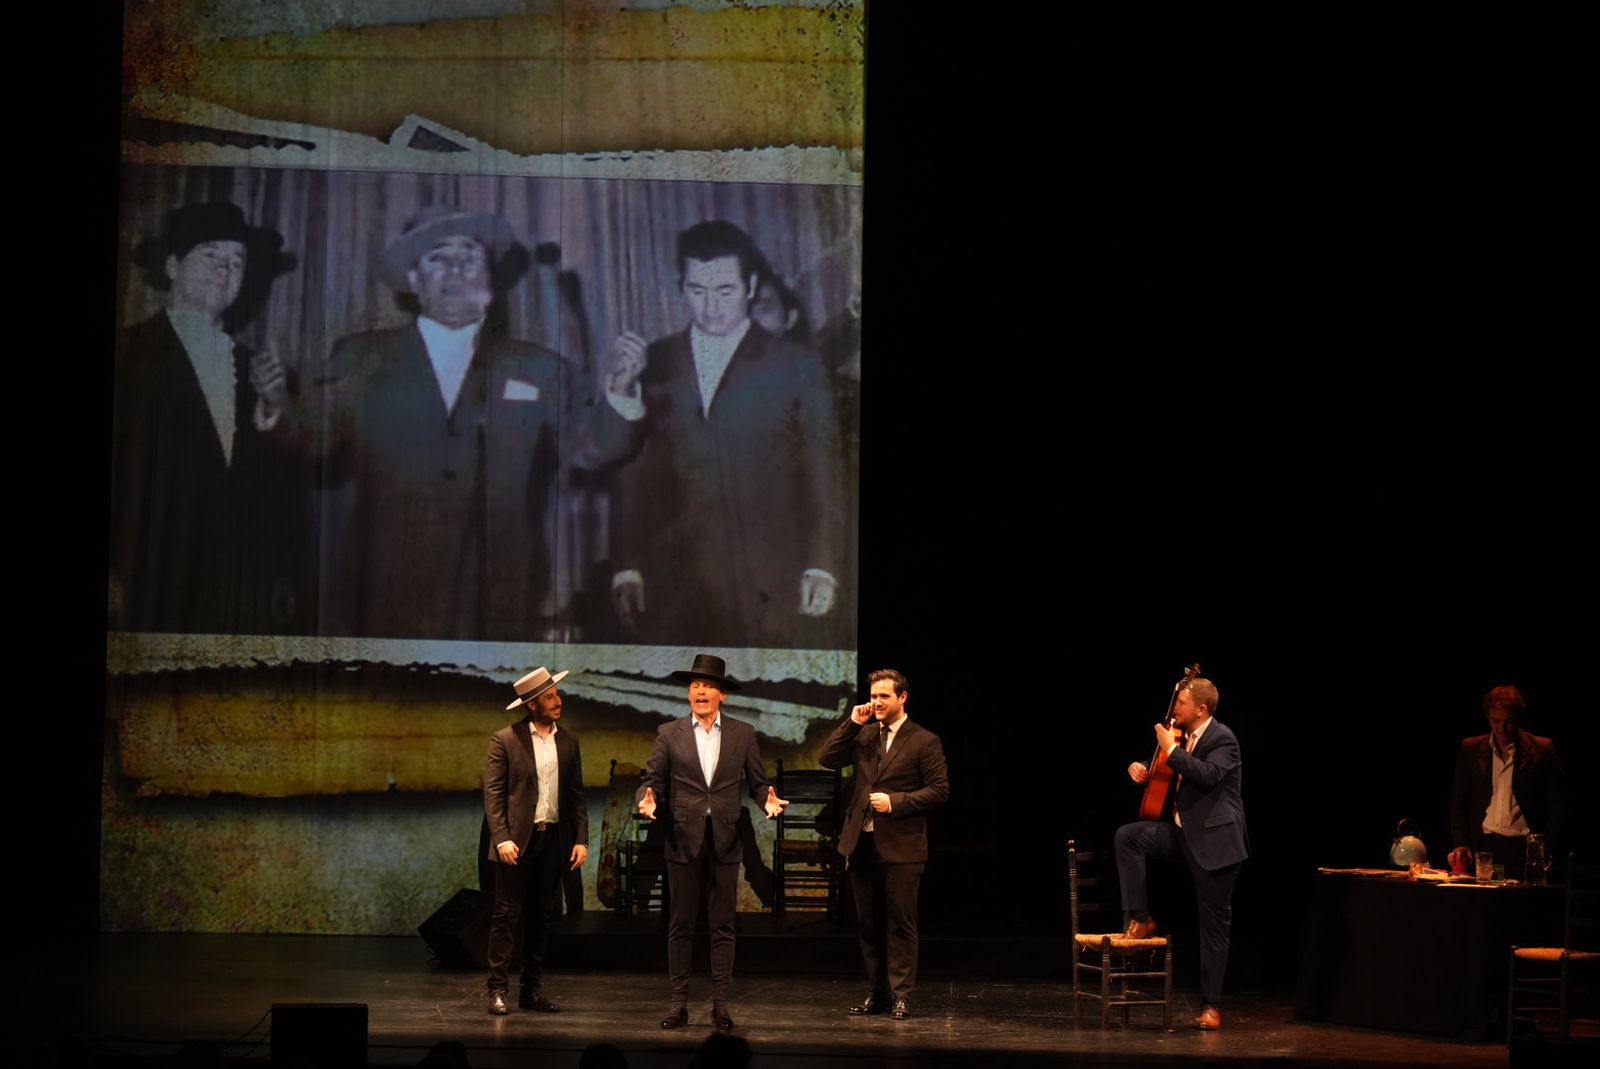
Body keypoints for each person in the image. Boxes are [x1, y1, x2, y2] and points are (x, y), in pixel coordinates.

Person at [315, 204, 632, 641]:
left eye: (470, 257)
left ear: (490, 280)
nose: (456, 269)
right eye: (437, 257)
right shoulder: (362, 358)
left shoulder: (541, 369)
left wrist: (619, 391)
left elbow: (594, 448)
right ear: (413, 280)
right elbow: (310, 440)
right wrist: (274, 408)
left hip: (495, 600)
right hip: (380, 598)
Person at [606, 221, 846, 649]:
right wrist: (627, 565)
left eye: (724, 291)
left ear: (751, 286)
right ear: (681, 286)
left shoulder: (796, 363)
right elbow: (633, 472)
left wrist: (822, 564)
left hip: (769, 579)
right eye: (697, 291)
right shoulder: (656, 360)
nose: (710, 307)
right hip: (673, 584)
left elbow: (823, 469)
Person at [110, 201, 302, 634]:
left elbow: (280, 489)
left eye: (237, 261)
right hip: (146, 582)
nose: (225, 269)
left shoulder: (260, 369)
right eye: (211, 255)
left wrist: (274, 408)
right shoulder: (127, 353)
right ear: (173, 266)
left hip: (238, 595)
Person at [635, 654, 788, 1031]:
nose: (700, 691)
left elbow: (757, 781)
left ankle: (720, 1004)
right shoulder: (669, 733)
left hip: (725, 838)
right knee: (680, 924)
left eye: (707, 686)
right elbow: (652, 779)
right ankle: (678, 1004)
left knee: (722, 925)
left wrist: (766, 796)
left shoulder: (742, 733)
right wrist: (646, 797)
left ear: (722, 695)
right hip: (682, 837)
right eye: (694, 686)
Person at [1115, 676, 1247, 1031]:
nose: (1175, 708)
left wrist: (1171, 753)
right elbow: (1161, 768)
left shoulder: (1224, 739)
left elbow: (1207, 775)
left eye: (1182, 703)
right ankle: (1141, 917)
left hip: (1217, 845)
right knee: (1129, 837)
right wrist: (1139, 768)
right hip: (1180, 835)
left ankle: (1211, 1006)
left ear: (1201, 709)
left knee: (1213, 929)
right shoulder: (1178, 737)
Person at [819, 668, 949, 1021]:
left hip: (902, 846)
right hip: (860, 843)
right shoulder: (863, 736)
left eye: (883, 696)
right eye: (873, 695)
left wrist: (898, 802)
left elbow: (939, 790)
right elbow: (827, 759)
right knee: (868, 924)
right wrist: (851, 723)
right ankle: (876, 993)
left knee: (900, 923)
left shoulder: (924, 740)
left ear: (902, 697)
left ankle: (901, 995)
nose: (876, 702)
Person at [483, 666, 589, 1015]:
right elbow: (494, 795)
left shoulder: (568, 741)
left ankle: (532, 990)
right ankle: (497, 989)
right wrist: (502, 839)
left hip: (552, 841)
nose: (557, 702)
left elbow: (576, 797)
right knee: (506, 916)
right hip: (517, 842)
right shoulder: (506, 740)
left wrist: (581, 840)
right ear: (532, 705)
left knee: (542, 917)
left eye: (557, 695)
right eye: (549, 698)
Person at [1447, 685, 1566, 880]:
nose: (1502, 729)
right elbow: (1458, 800)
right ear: (1488, 717)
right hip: (1485, 846)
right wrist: (1461, 842)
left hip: (1524, 847)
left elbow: (1559, 804)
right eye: (1496, 721)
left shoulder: (1541, 749)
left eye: (1509, 722)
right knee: (1485, 905)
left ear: (1519, 719)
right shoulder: (1471, 748)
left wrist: (1545, 846)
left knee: (1521, 905)